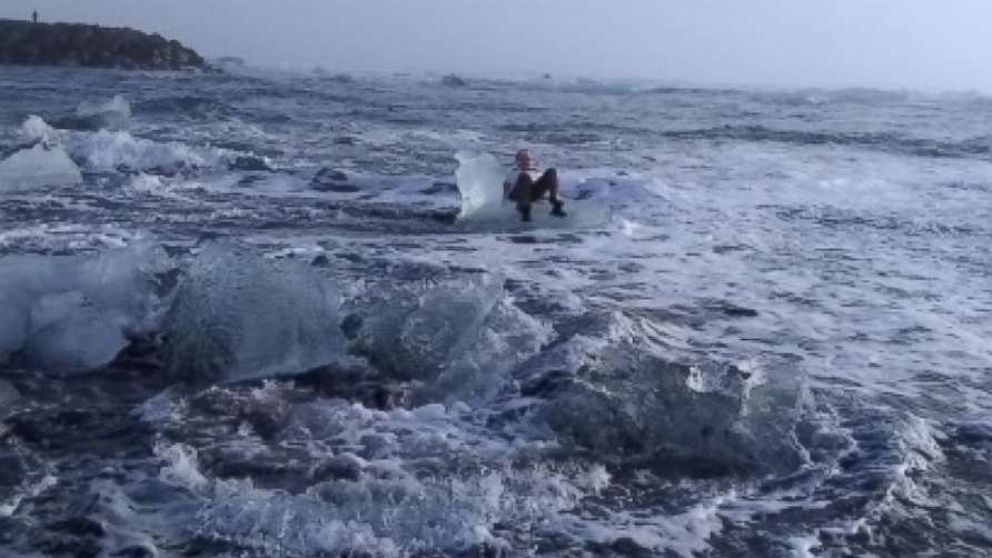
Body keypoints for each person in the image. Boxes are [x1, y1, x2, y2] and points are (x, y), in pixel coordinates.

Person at [503, 149, 566, 222]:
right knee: (524, 176)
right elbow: (506, 196)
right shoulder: (512, 174)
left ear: (534, 161)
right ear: (517, 162)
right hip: (518, 194)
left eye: (528, 160)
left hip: (534, 194)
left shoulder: (540, 174)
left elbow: (551, 187)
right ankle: (525, 211)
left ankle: (556, 206)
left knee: (552, 171)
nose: (526, 162)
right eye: (522, 160)